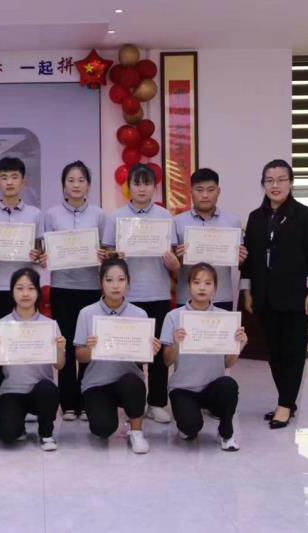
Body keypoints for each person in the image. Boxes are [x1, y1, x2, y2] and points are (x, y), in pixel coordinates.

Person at [241, 159, 308, 429]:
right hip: (264, 296)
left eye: (281, 179)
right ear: (263, 184)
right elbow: (249, 259)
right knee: (274, 353)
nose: (275, 185)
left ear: (291, 183)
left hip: (295, 296)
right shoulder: (256, 217)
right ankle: (286, 401)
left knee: (294, 352)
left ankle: (285, 405)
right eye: (269, 180)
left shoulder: (304, 214)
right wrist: (247, 292)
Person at [101, 163, 180, 424]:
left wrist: (173, 263)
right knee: (129, 352)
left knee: (157, 351)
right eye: (137, 183)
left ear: (154, 187)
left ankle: (157, 402)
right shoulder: (116, 217)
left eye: (147, 183)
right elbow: (106, 257)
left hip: (157, 292)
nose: (142, 188)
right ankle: (132, 402)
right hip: (127, 297)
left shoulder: (165, 217)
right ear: (129, 187)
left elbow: (174, 258)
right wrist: (115, 256)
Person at [39, 161, 106, 421]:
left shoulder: (99, 215)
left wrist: (104, 254)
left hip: (90, 288)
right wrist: (45, 257)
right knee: (65, 344)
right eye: (71, 180)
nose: (76, 185)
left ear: (88, 184)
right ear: (63, 185)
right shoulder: (52, 214)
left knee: (88, 345)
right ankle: (68, 402)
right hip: (62, 287)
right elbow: (45, 249)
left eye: (81, 180)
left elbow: (108, 250)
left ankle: (88, 399)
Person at [74, 258, 162, 454]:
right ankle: (105, 411)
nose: (115, 285)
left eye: (121, 279)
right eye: (109, 280)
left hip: (127, 380)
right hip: (97, 382)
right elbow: (80, 356)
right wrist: (91, 349)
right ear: (101, 283)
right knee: (102, 429)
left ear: (128, 282)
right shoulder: (86, 313)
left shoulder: (139, 314)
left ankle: (136, 432)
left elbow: (143, 360)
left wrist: (150, 351)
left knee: (133, 383)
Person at [159, 263, 248, 451]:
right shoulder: (174, 317)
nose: (202, 287)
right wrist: (177, 343)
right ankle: (187, 420)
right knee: (190, 430)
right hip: (183, 387)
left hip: (212, 386)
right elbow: (167, 361)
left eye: (208, 283)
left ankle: (226, 433)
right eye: (197, 282)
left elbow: (227, 363)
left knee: (229, 385)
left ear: (215, 288)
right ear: (188, 285)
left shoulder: (225, 318)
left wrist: (238, 346)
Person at [0, 157, 43, 396]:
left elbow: (40, 250)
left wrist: (38, 254)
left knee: (26, 344)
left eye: (14, 177)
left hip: (26, 290)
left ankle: (28, 395)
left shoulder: (35, 214)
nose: (9, 182)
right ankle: (2, 398)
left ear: (23, 181)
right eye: (4, 177)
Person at [0, 268, 66, 451]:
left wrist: (60, 349)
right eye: (20, 288)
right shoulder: (2, 324)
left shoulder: (49, 325)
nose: (25, 293)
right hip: (12, 390)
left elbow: (59, 365)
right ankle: (18, 424)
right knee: (7, 434)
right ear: (12, 292)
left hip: (40, 391)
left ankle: (46, 433)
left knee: (48, 389)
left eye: (31, 288)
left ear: (38, 292)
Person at [173, 168, 248, 310]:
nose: (205, 195)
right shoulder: (177, 222)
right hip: (187, 297)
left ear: (218, 191)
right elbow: (172, 267)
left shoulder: (233, 221)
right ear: (191, 192)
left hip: (222, 296)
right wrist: (178, 258)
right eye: (199, 190)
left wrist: (240, 259)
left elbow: (239, 263)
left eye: (210, 190)